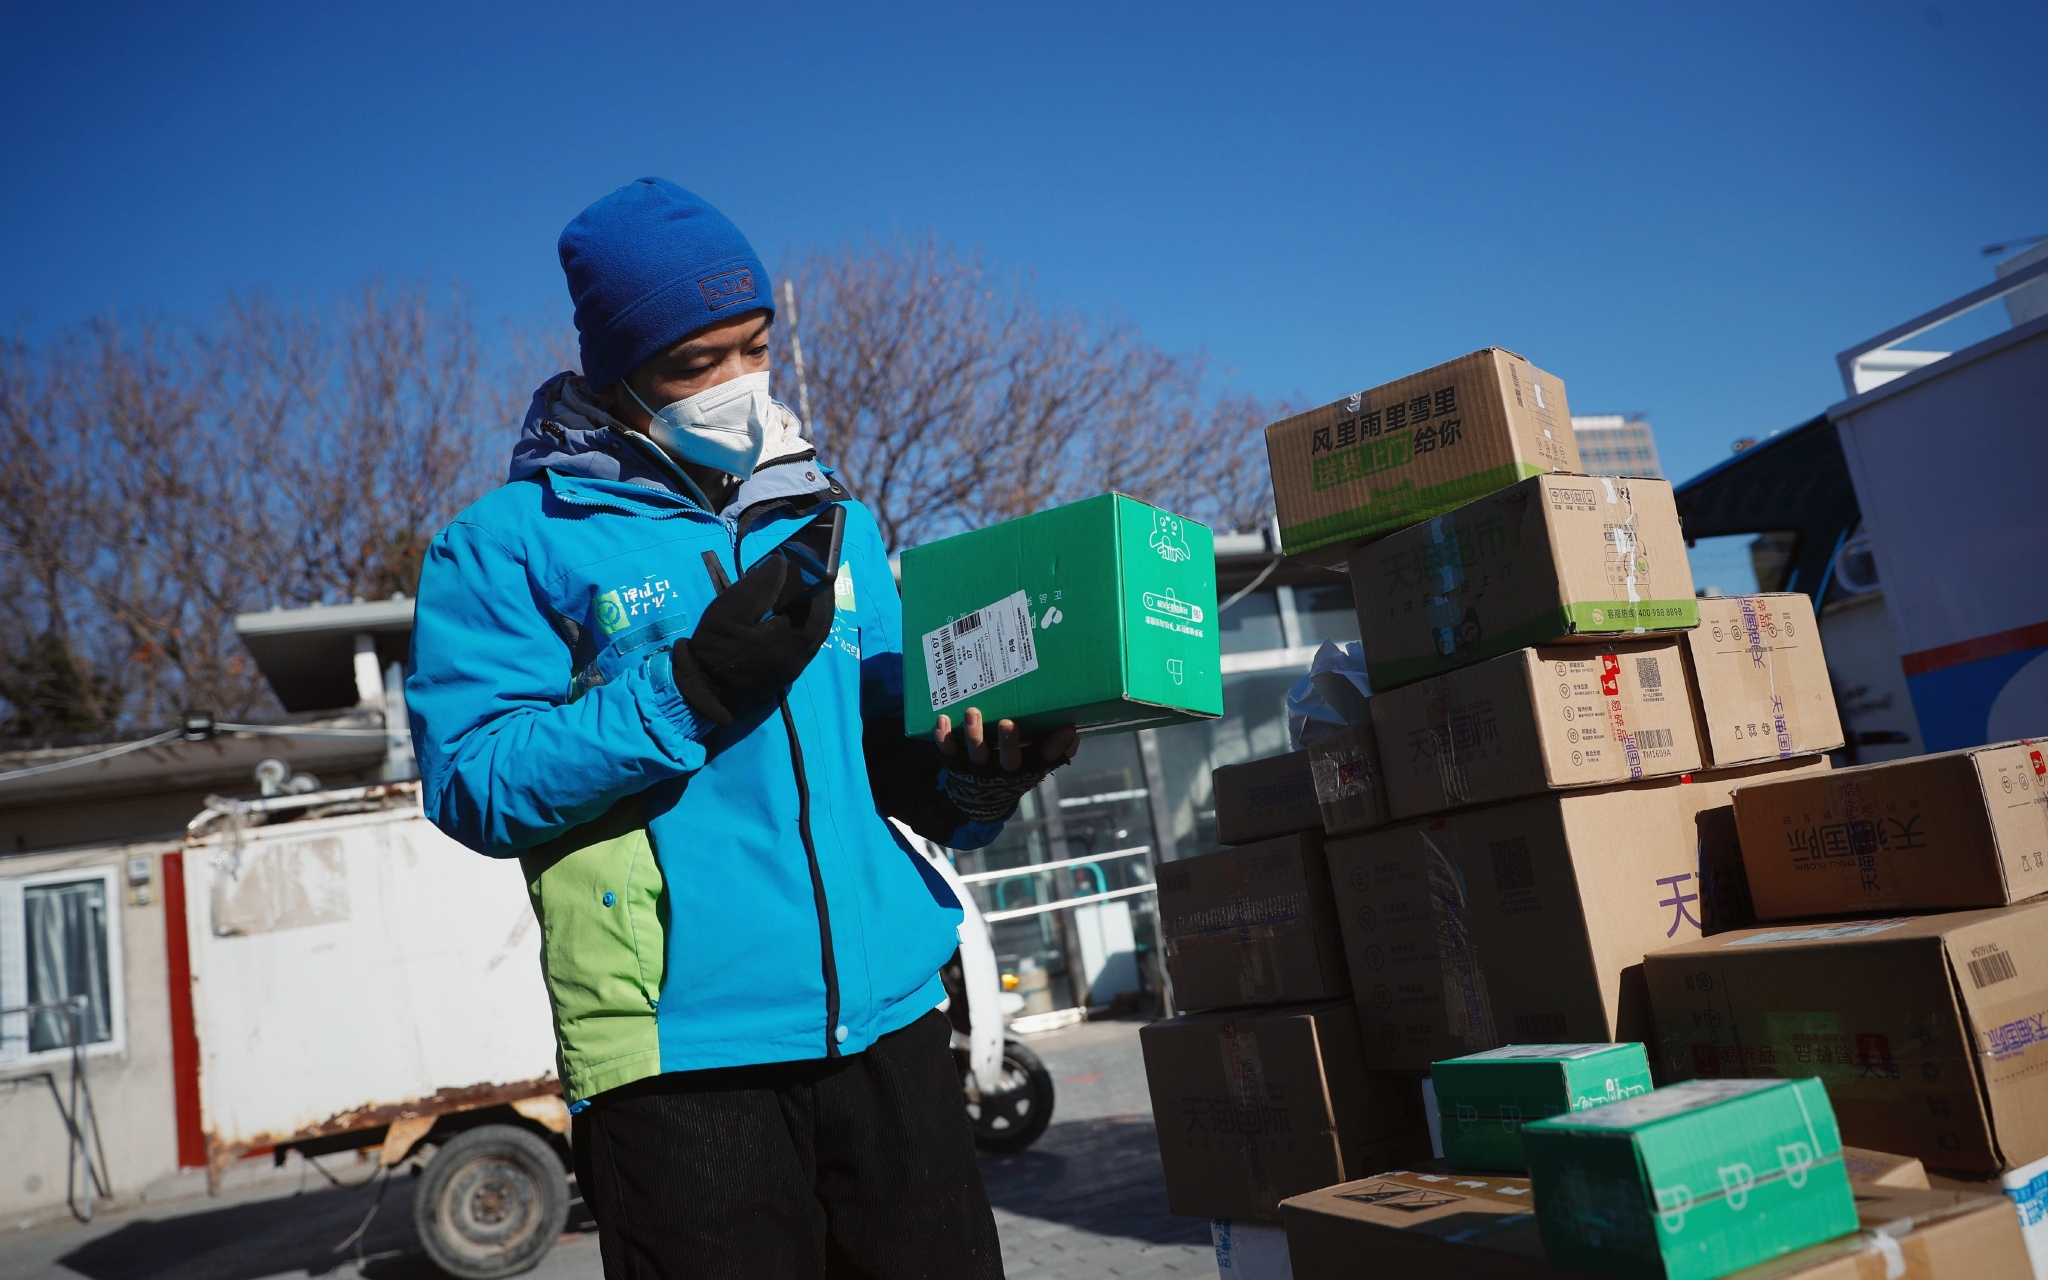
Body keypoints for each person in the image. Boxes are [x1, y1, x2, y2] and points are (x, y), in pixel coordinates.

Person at [406, 177, 1075, 1279]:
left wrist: (983, 772)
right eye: (693, 363)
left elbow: (892, 771)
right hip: (680, 1059)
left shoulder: (833, 521)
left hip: (894, 1018)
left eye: (752, 347)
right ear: (615, 368)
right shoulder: (506, 545)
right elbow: (473, 781)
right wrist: (687, 692)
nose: (734, 385)